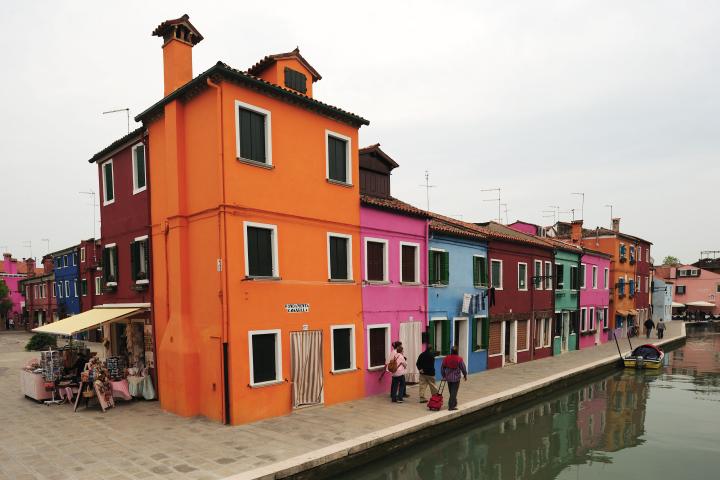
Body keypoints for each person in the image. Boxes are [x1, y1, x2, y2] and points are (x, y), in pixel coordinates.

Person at [441, 346, 467, 411]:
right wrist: (465, 375)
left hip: (448, 378)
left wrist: (443, 375)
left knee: (451, 391)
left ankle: (454, 403)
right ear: (457, 351)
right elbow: (463, 368)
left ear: (451, 351)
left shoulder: (446, 358)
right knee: (454, 392)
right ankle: (451, 406)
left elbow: (442, 367)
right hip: (456, 378)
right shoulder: (459, 359)